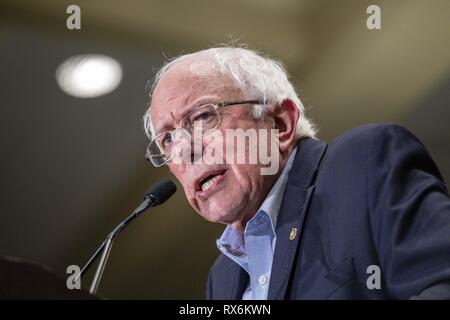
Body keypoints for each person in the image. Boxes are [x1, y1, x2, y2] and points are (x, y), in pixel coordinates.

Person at [143, 46, 450, 299]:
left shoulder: (363, 165)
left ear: (280, 124)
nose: (183, 149)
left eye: (202, 117)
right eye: (167, 138)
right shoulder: (222, 279)